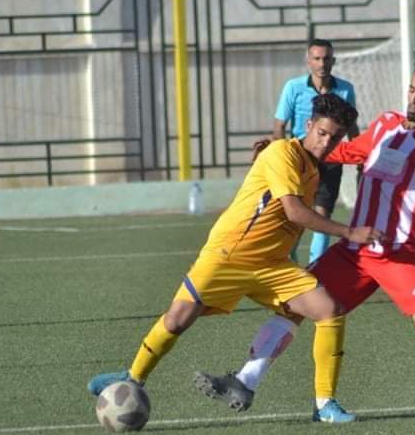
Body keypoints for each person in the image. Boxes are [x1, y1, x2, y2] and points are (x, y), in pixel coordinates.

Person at [195, 57, 415, 422]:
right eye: (413, 90)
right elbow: (341, 151)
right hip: (356, 251)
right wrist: (288, 150)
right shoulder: (385, 125)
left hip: (401, 255)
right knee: (295, 305)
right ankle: (245, 381)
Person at [87, 94, 384, 409]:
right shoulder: (283, 152)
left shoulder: (312, 167)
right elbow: (295, 212)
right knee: (177, 320)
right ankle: (132, 377)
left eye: (335, 137)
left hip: (271, 264)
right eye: (322, 133)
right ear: (309, 125)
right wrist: (349, 232)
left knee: (329, 310)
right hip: (231, 254)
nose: (327, 142)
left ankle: (325, 406)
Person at [273, 39, 358, 263]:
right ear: (308, 61)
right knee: (293, 214)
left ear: (334, 61)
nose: (322, 63)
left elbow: (352, 129)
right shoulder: (293, 87)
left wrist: (361, 160)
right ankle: (288, 261)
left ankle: (316, 269)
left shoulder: (345, 89)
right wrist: (280, 156)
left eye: (327, 58)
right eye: (317, 58)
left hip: (331, 160)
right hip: (300, 158)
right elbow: (280, 125)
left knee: (323, 215)